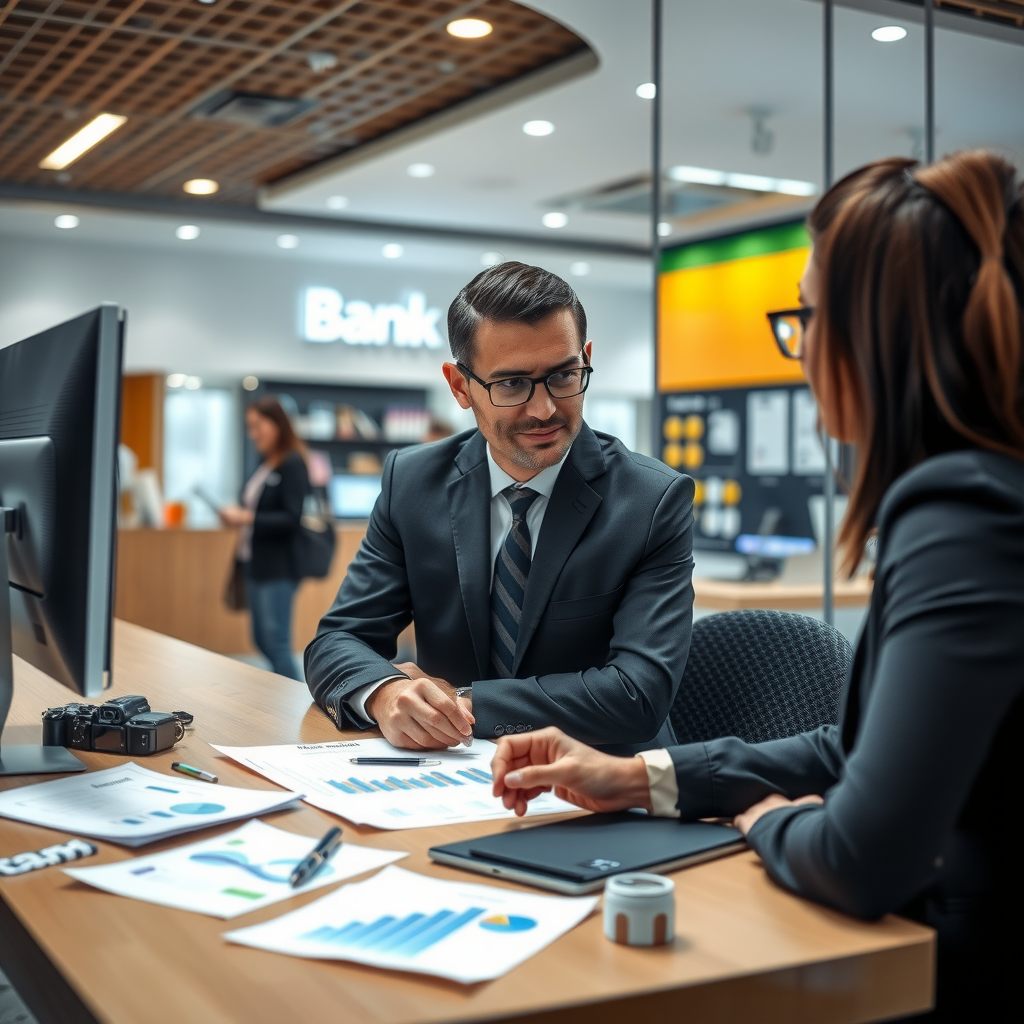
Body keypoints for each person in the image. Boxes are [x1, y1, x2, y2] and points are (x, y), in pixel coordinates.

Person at [490, 151, 1024, 1022]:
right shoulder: (985, 490)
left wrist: (766, 819)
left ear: (874, 331)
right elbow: (854, 754)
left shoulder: (962, 509)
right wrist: (636, 777)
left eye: (807, 316)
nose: (801, 347)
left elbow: (860, 858)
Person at [305, 261, 695, 752]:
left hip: (607, 784)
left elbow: (637, 695)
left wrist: (462, 705)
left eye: (564, 375)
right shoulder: (413, 482)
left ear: (586, 359)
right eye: (511, 384)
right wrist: (386, 693)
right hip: (449, 784)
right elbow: (338, 640)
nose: (544, 409)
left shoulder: (651, 500)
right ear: (459, 386)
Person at [220, 396, 311, 681]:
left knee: (277, 643)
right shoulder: (265, 464)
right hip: (254, 563)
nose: (254, 433)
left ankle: (298, 702)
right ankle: (278, 696)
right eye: (250, 427)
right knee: (261, 640)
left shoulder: (292, 463)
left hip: (278, 567)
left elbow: (291, 518)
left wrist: (245, 517)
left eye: (258, 425)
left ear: (277, 424)